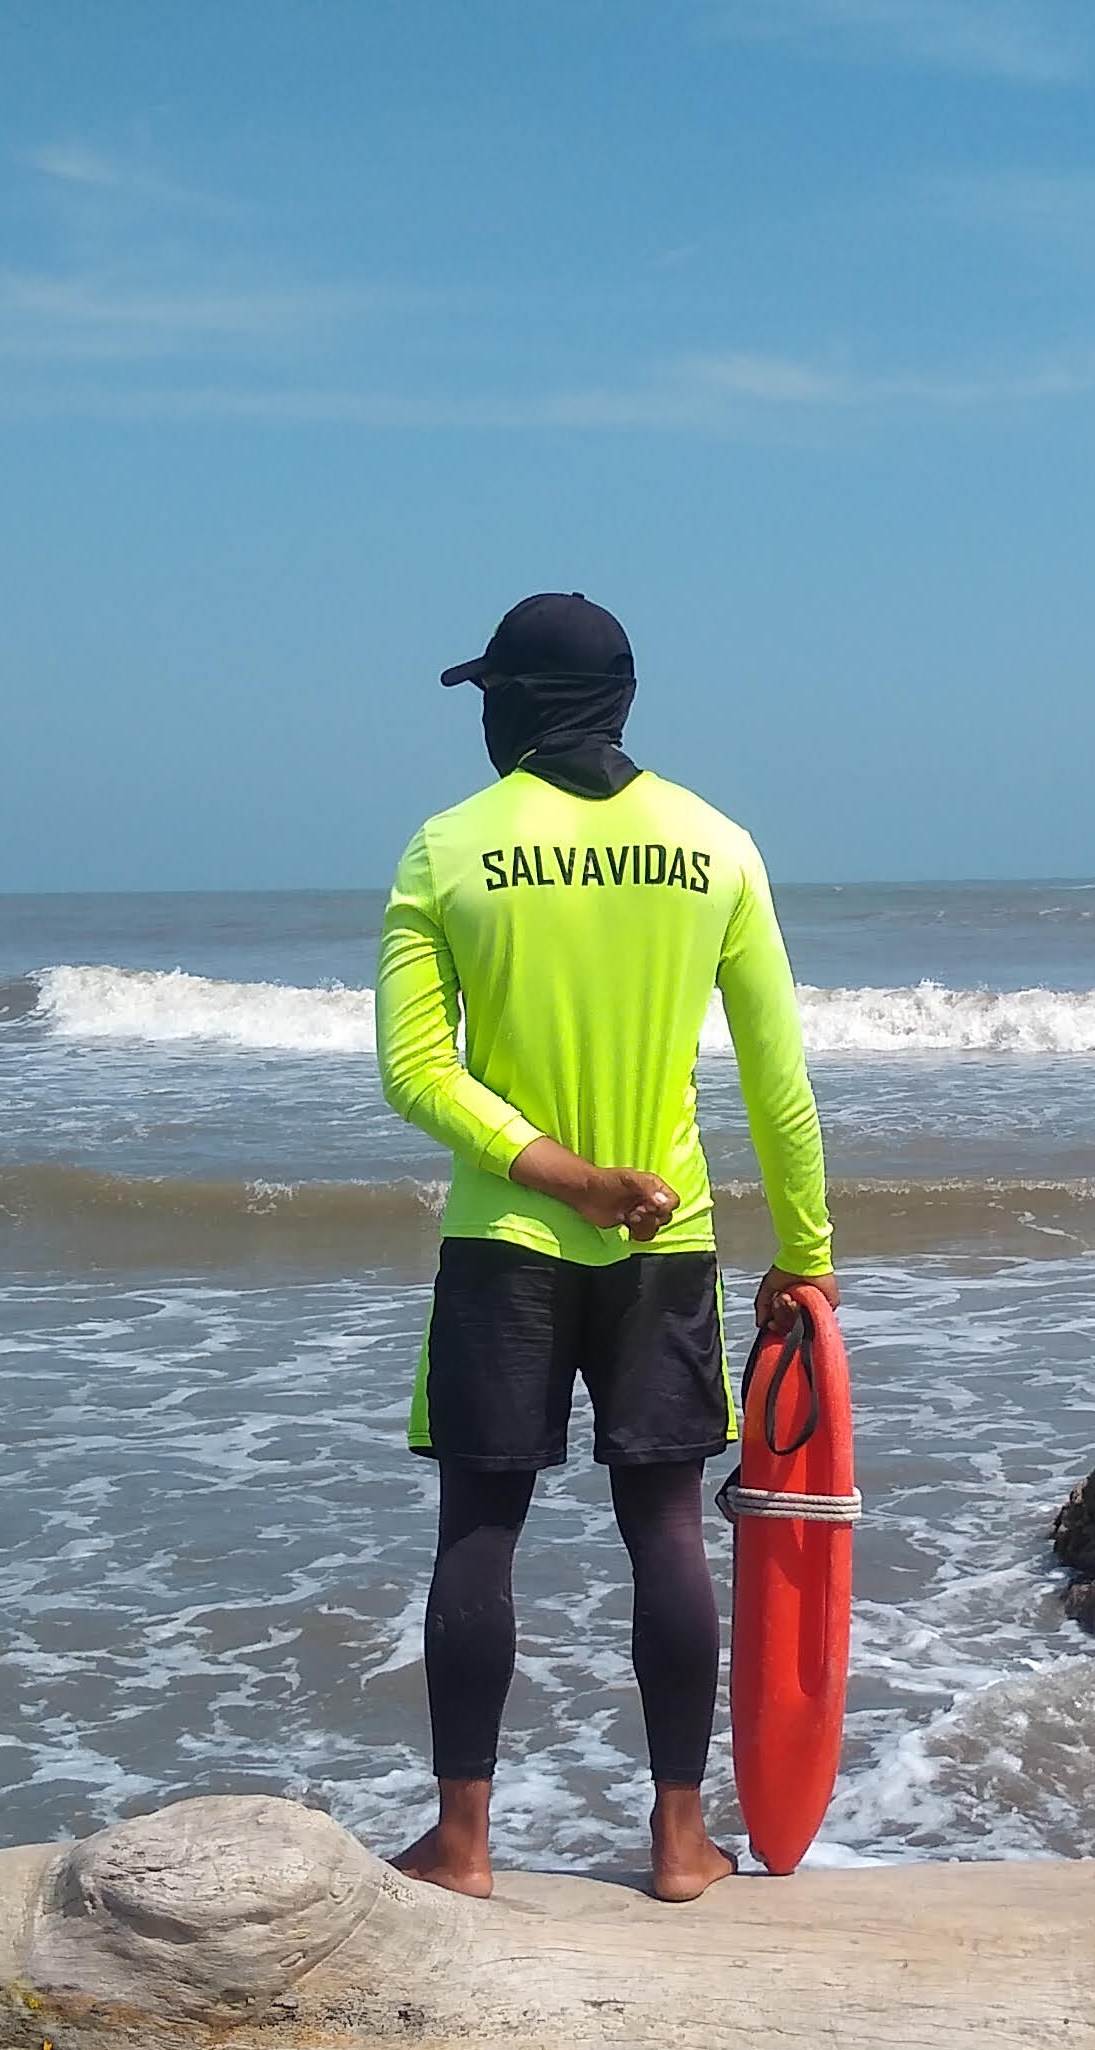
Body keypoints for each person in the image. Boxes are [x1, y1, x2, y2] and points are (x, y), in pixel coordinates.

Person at [374, 591, 837, 1903]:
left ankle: (462, 1845)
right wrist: (807, 1251)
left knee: (481, 1528)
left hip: (507, 1240)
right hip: (666, 1238)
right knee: (667, 1532)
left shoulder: (450, 850)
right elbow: (777, 1080)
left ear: (517, 703)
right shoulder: (715, 846)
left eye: (489, 698)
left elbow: (415, 1073)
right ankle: (681, 1843)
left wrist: (558, 1174)